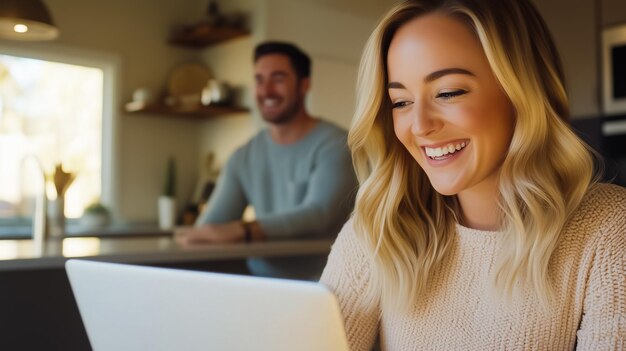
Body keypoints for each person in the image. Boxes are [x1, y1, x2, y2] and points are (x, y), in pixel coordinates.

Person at [319, 0, 626, 350]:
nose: (419, 126)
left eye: (448, 93)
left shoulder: (608, 229)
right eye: (400, 102)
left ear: (522, 92)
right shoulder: (381, 226)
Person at [176, 41, 358, 280]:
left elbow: (319, 215)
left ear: (304, 85)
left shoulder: (335, 144)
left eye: (278, 78)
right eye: (259, 80)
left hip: (328, 286)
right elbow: (211, 225)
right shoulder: (244, 156)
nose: (266, 91)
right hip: (262, 285)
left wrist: (243, 231)